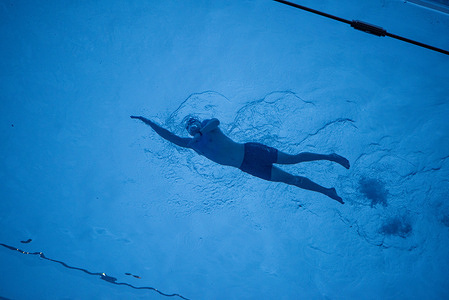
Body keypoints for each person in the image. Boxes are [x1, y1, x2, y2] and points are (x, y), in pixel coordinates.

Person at [131, 115, 350, 204]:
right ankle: (327, 191)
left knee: (293, 159)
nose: (192, 125)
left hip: (252, 151)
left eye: (193, 122)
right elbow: (168, 136)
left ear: (198, 122)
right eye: (189, 126)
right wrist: (147, 122)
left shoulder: (208, 127)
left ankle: (329, 157)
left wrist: (202, 130)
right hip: (246, 166)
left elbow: (215, 121)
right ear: (187, 131)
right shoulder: (192, 144)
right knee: (291, 180)